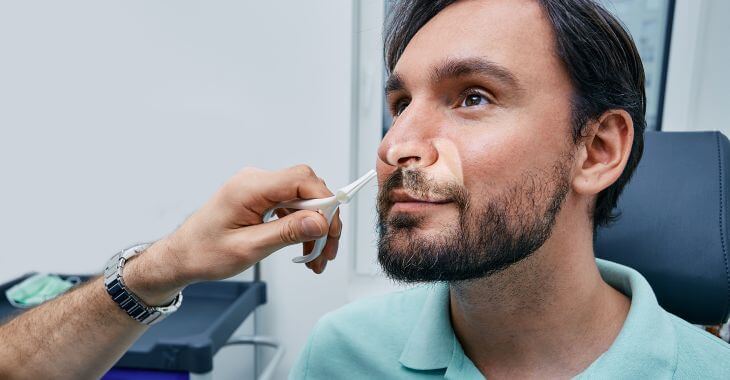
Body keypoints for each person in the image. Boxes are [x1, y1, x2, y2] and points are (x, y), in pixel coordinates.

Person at [289, 0, 730, 379]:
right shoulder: (339, 355)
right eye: (401, 105)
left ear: (597, 151)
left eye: (473, 97)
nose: (394, 146)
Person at [0, 165, 342, 379]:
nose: (388, 146)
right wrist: (170, 260)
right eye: (396, 107)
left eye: (400, 109)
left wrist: (167, 264)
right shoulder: (336, 342)